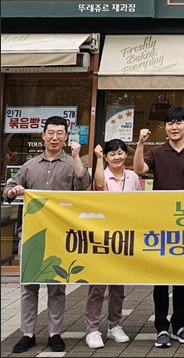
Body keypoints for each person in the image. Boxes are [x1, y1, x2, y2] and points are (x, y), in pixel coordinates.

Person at [3, 116, 91, 354]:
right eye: (50, 133)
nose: (55, 137)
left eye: (60, 133)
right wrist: (13, 191)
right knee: (28, 286)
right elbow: (8, 189)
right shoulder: (30, 166)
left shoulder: (71, 163)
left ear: (66, 137)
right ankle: (27, 334)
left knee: (57, 287)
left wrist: (76, 157)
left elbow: (83, 185)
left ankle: (55, 333)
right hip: (31, 235)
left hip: (60, 236)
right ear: (43, 136)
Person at [134, 106, 184, 349]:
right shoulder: (156, 152)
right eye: (170, 123)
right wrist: (140, 144)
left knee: (181, 278)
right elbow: (139, 169)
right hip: (161, 223)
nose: (174, 127)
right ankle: (161, 328)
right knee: (161, 279)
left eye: (179, 122)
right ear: (165, 127)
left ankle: (180, 326)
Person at [85, 139, 142, 349]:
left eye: (120, 153)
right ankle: (92, 329)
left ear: (125, 154)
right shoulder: (102, 174)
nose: (117, 157)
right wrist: (98, 159)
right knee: (97, 286)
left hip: (124, 237)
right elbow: (99, 186)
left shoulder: (133, 177)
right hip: (102, 236)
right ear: (106, 157)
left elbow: (140, 203)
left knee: (118, 286)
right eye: (112, 154)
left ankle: (114, 325)